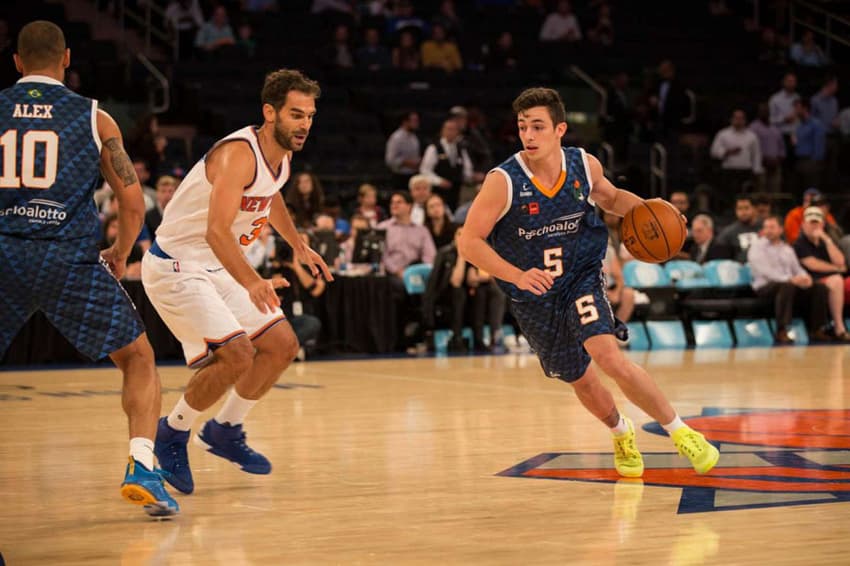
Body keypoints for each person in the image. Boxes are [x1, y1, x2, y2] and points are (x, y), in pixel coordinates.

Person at [458, 87, 719, 478]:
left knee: (609, 356)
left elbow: (612, 199)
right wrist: (517, 275)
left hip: (580, 276)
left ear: (560, 129)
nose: (528, 135)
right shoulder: (504, 181)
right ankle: (619, 430)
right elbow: (469, 241)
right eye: (522, 127)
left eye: (538, 127)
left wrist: (654, 212)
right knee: (579, 378)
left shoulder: (583, 164)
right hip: (534, 294)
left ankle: (681, 432)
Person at [0, 21, 178, 516]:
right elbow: (132, 203)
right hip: (68, 259)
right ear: (67, 58)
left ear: (17, 61)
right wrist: (120, 253)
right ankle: (143, 465)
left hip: (4, 251)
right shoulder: (95, 118)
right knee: (139, 359)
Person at [142, 69, 333, 496]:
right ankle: (172, 433)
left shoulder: (281, 154)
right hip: (177, 265)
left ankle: (226, 429)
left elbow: (272, 193)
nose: (305, 124)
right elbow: (215, 231)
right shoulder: (238, 154)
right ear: (270, 112)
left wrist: (299, 244)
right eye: (296, 115)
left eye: (310, 116)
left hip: (215, 265)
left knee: (282, 345)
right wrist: (251, 281)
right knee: (236, 354)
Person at [747, 215, 827, 344]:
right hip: (765, 287)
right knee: (786, 286)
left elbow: (797, 268)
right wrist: (790, 279)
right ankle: (781, 330)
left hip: (789, 285)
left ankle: (816, 329)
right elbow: (766, 272)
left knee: (819, 287)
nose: (768, 230)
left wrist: (805, 277)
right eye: (766, 227)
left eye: (772, 227)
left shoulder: (787, 249)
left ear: (780, 230)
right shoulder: (757, 247)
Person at [793, 206, 850, 342]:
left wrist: (827, 239)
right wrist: (837, 269)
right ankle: (839, 327)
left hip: (831, 281)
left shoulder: (826, 242)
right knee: (836, 280)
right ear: (803, 225)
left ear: (823, 224)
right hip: (811, 282)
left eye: (817, 223)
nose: (814, 226)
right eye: (810, 223)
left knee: (841, 281)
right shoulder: (799, 243)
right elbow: (813, 264)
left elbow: (840, 260)